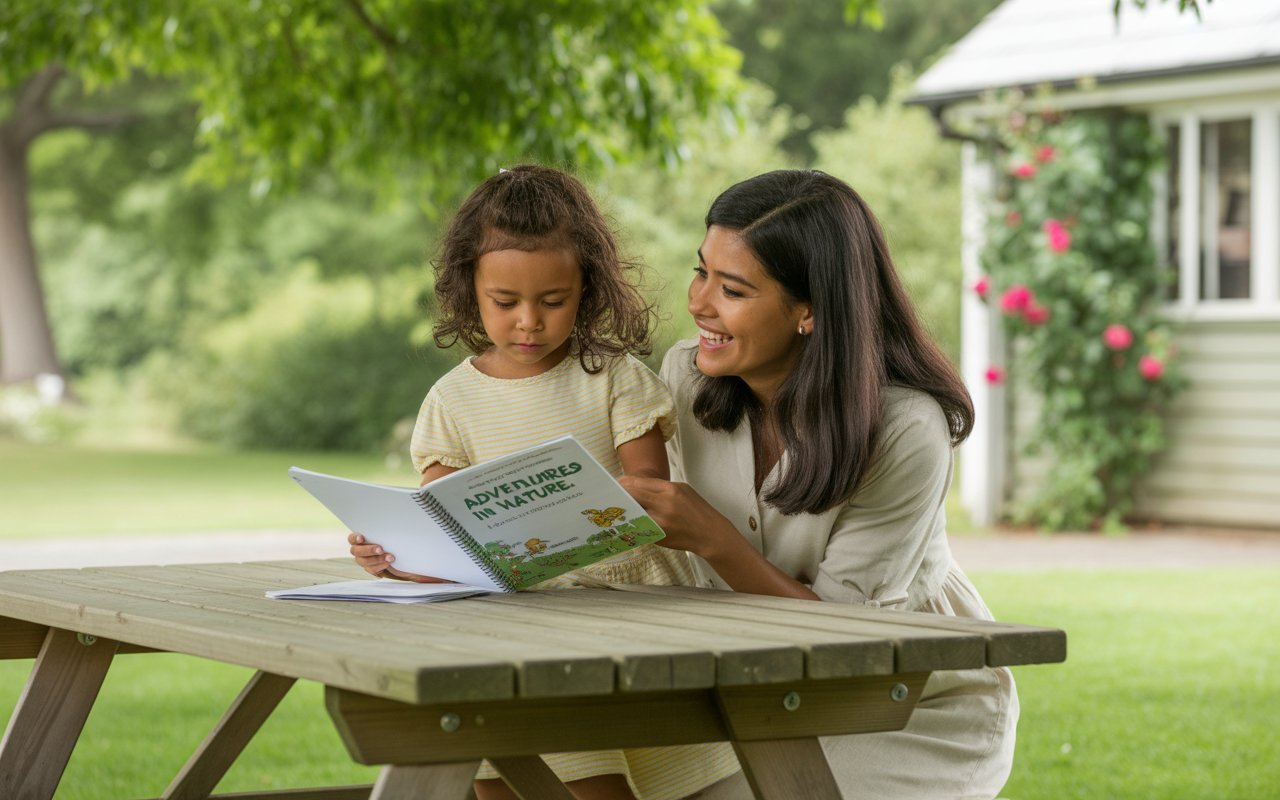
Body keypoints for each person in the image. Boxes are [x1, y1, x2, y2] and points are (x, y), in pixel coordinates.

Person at [617, 169, 1019, 799]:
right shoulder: (686, 378)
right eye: (702, 273)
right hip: (748, 690)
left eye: (733, 289)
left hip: (901, 702)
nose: (698, 303)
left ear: (809, 311)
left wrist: (715, 540)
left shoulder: (904, 429)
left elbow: (841, 638)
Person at [347, 165, 739, 800]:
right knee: (499, 778)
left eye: (552, 301)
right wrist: (394, 558)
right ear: (467, 289)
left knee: (594, 779)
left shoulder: (613, 379)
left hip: (622, 616)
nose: (528, 322)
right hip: (513, 623)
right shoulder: (452, 401)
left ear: (586, 289)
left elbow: (649, 501)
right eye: (505, 303)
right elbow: (449, 536)